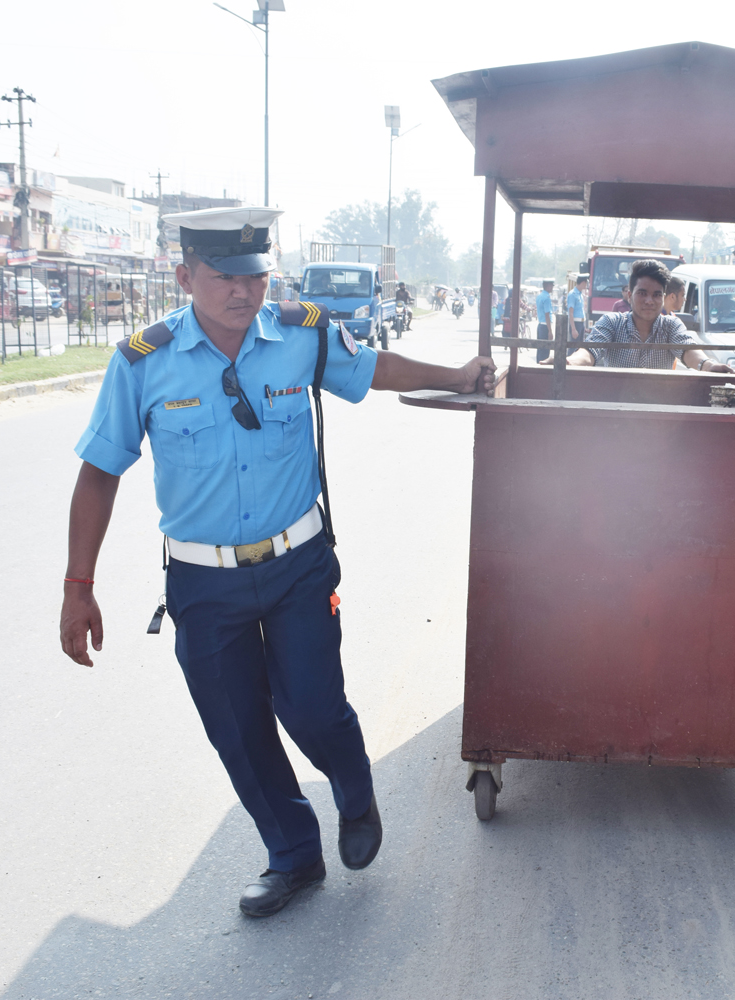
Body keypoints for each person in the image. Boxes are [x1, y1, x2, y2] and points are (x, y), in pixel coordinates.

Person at [58, 207, 496, 918]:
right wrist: (80, 586)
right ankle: (292, 855)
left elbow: (374, 367)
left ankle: (354, 789)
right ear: (185, 276)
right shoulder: (144, 359)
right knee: (237, 727)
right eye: (225, 277)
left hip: (297, 566)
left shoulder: (301, 337)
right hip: (202, 580)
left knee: (313, 705)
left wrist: (459, 374)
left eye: (254, 277)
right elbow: (100, 470)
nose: (243, 291)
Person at [568, 259, 731, 372]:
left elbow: (688, 350)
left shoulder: (671, 326)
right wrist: (569, 362)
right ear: (630, 295)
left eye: (656, 295)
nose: (649, 301)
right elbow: (589, 351)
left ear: (664, 297)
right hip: (617, 412)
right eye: (642, 293)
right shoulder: (612, 322)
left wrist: (707, 365)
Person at [535, 279, 555, 363]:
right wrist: (550, 331)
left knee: (540, 349)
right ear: (548, 286)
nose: (552, 288)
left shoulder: (539, 296)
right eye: (551, 286)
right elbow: (547, 314)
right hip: (545, 326)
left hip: (540, 325)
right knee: (545, 350)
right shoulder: (547, 298)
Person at [568, 275, 589, 343]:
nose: (586, 285)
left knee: (580, 346)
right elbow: (571, 313)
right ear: (583, 282)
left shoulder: (580, 294)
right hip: (575, 323)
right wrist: (573, 329)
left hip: (581, 323)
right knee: (573, 347)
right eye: (586, 283)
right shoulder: (572, 294)